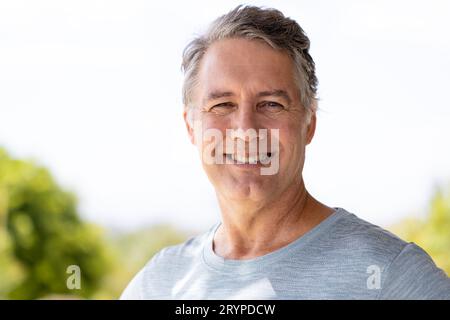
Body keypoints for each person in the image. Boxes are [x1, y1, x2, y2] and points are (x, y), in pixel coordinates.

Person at [121, 5, 450, 299]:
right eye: (222, 105)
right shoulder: (160, 283)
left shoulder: (394, 276)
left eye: (271, 104)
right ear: (192, 126)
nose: (246, 130)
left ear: (308, 123)